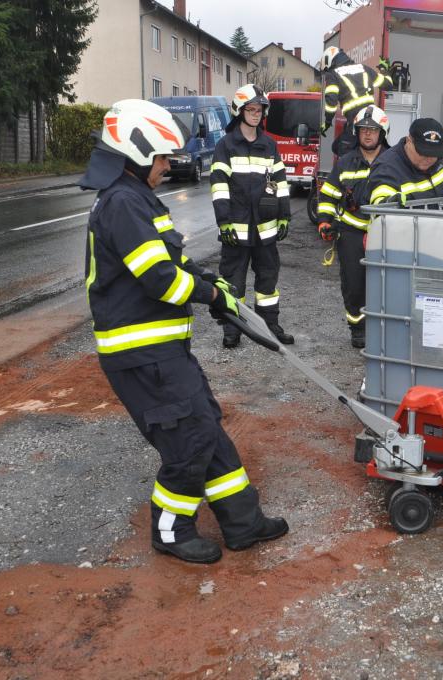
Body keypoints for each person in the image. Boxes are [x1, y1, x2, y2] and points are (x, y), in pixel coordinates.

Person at [79, 99, 288, 563]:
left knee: (205, 428)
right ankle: (170, 531)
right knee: (188, 442)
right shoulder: (122, 203)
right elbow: (159, 279)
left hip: (163, 351)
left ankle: (243, 521)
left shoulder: (135, 198)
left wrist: (210, 281)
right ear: (136, 153)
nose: (167, 165)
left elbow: (171, 261)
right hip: (142, 356)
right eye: (162, 157)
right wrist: (210, 296)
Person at [210, 84, 294, 348]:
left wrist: (284, 216)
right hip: (235, 230)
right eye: (252, 110)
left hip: (265, 229)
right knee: (233, 281)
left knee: (268, 279)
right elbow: (219, 186)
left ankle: (270, 326)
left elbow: (280, 183)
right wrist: (223, 222)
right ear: (239, 111)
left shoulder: (269, 145)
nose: (257, 114)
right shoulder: (225, 146)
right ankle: (233, 329)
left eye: (260, 110)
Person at [317, 105, 391, 348]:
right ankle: (358, 328)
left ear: (382, 133)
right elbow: (328, 195)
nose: (368, 134)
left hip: (388, 234)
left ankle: (386, 327)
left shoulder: (393, 162)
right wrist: (325, 221)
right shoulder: (345, 163)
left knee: (389, 282)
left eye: (373, 129)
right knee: (353, 284)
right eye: (363, 129)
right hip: (351, 234)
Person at [365, 118, 443, 207]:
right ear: (409, 142)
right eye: (423, 152)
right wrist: (391, 202)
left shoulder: (438, 162)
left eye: (433, 153)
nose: (429, 158)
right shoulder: (387, 166)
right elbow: (379, 204)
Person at [321, 46, 392, 156]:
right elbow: (387, 84)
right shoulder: (364, 68)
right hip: (371, 118)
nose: (327, 71)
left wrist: (327, 122)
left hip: (356, 119)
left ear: (328, 61)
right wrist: (384, 69)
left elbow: (331, 101)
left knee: (339, 148)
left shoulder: (333, 74)